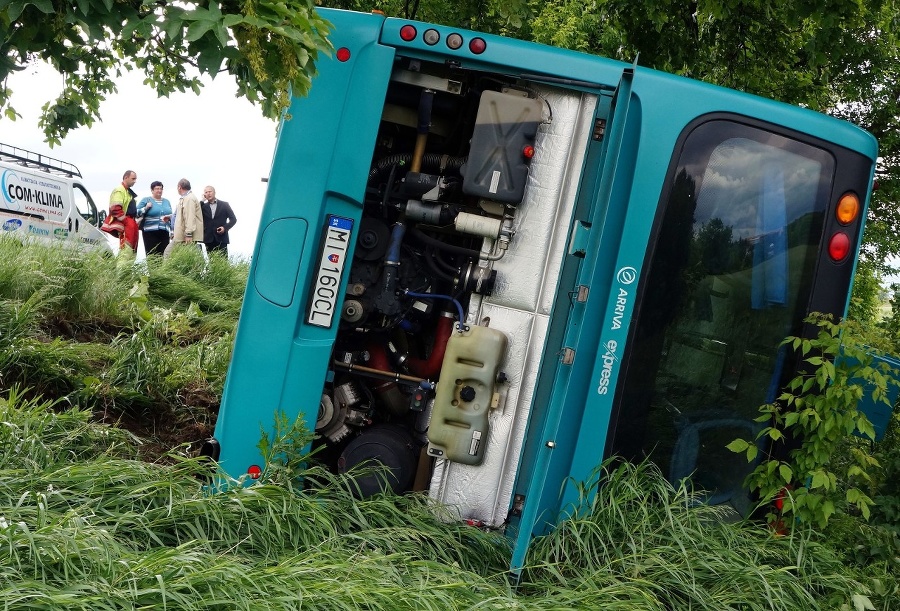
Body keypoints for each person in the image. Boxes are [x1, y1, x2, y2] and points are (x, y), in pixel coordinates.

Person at [137, 181, 173, 256]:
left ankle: (163, 268)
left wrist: (172, 230)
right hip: (150, 232)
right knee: (152, 254)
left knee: (164, 254)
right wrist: (146, 207)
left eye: (161, 189)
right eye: (157, 189)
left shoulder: (167, 201)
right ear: (152, 190)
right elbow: (136, 212)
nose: (159, 190)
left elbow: (171, 217)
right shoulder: (146, 200)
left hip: (164, 231)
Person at [201, 185, 237, 256]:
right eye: (206, 192)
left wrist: (225, 228)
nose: (208, 193)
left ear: (214, 192)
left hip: (221, 238)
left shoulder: (224, 205)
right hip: (208, 239)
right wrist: (202, 200)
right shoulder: (203, 206)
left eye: (210, 191)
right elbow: (194, 211)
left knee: (223, 262)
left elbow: (233, 219)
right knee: (212, 262)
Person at [172, 178, 203, 247]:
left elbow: (190, 217)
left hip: (185, 236)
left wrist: (189, 234)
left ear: (179, 187)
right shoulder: (185, 198)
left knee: (168, 253)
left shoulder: (189, 198)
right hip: (181, 235)